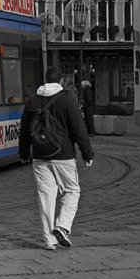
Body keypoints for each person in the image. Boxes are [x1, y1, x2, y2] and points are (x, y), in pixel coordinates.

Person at [17, 67, 94, 250]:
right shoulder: (67, 100)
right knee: (72, 191)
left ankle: (49, 240)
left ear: (45, 80)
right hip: (63, 155)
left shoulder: (33, 100)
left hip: (40, 156)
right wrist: (87, 154)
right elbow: (78, 128)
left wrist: (23, 153)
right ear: (61, 82)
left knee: (46, 197)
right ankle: (62, 226)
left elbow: (25, 129)